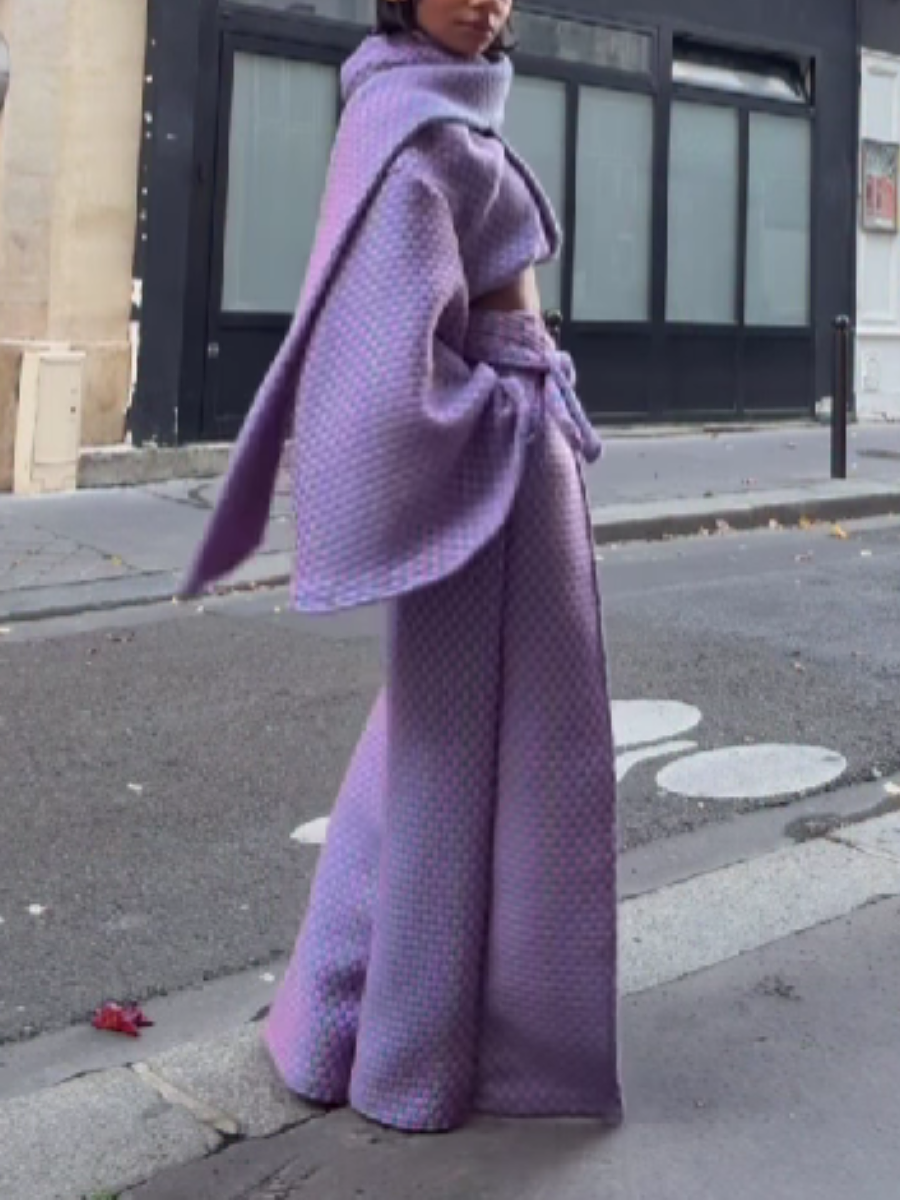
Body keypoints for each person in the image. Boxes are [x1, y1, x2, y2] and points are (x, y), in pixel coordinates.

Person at [183, 0, 620, 1134]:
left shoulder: (424, 109)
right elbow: (388, 367)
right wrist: (510, 409)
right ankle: (411, 1059)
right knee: (471, 756)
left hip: (508, 464)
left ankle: (358, 1030)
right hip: (496, 473)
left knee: (440, 749)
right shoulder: (417, 132)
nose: (487, 2)